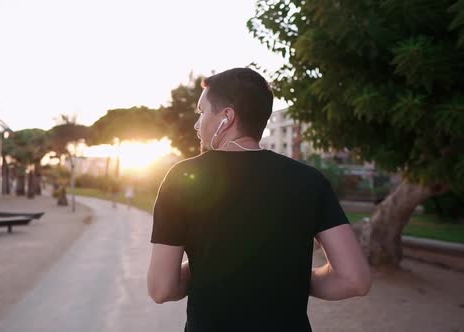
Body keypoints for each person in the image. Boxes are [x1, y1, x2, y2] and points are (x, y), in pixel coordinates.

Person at [146, 68, 371, 331]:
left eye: (201, 112)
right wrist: (288, 278)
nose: (197, 124)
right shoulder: (310, 180)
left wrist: (208, 266)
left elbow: (161, 289)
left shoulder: (182, 177)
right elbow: (355, 280)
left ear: (226, 117)